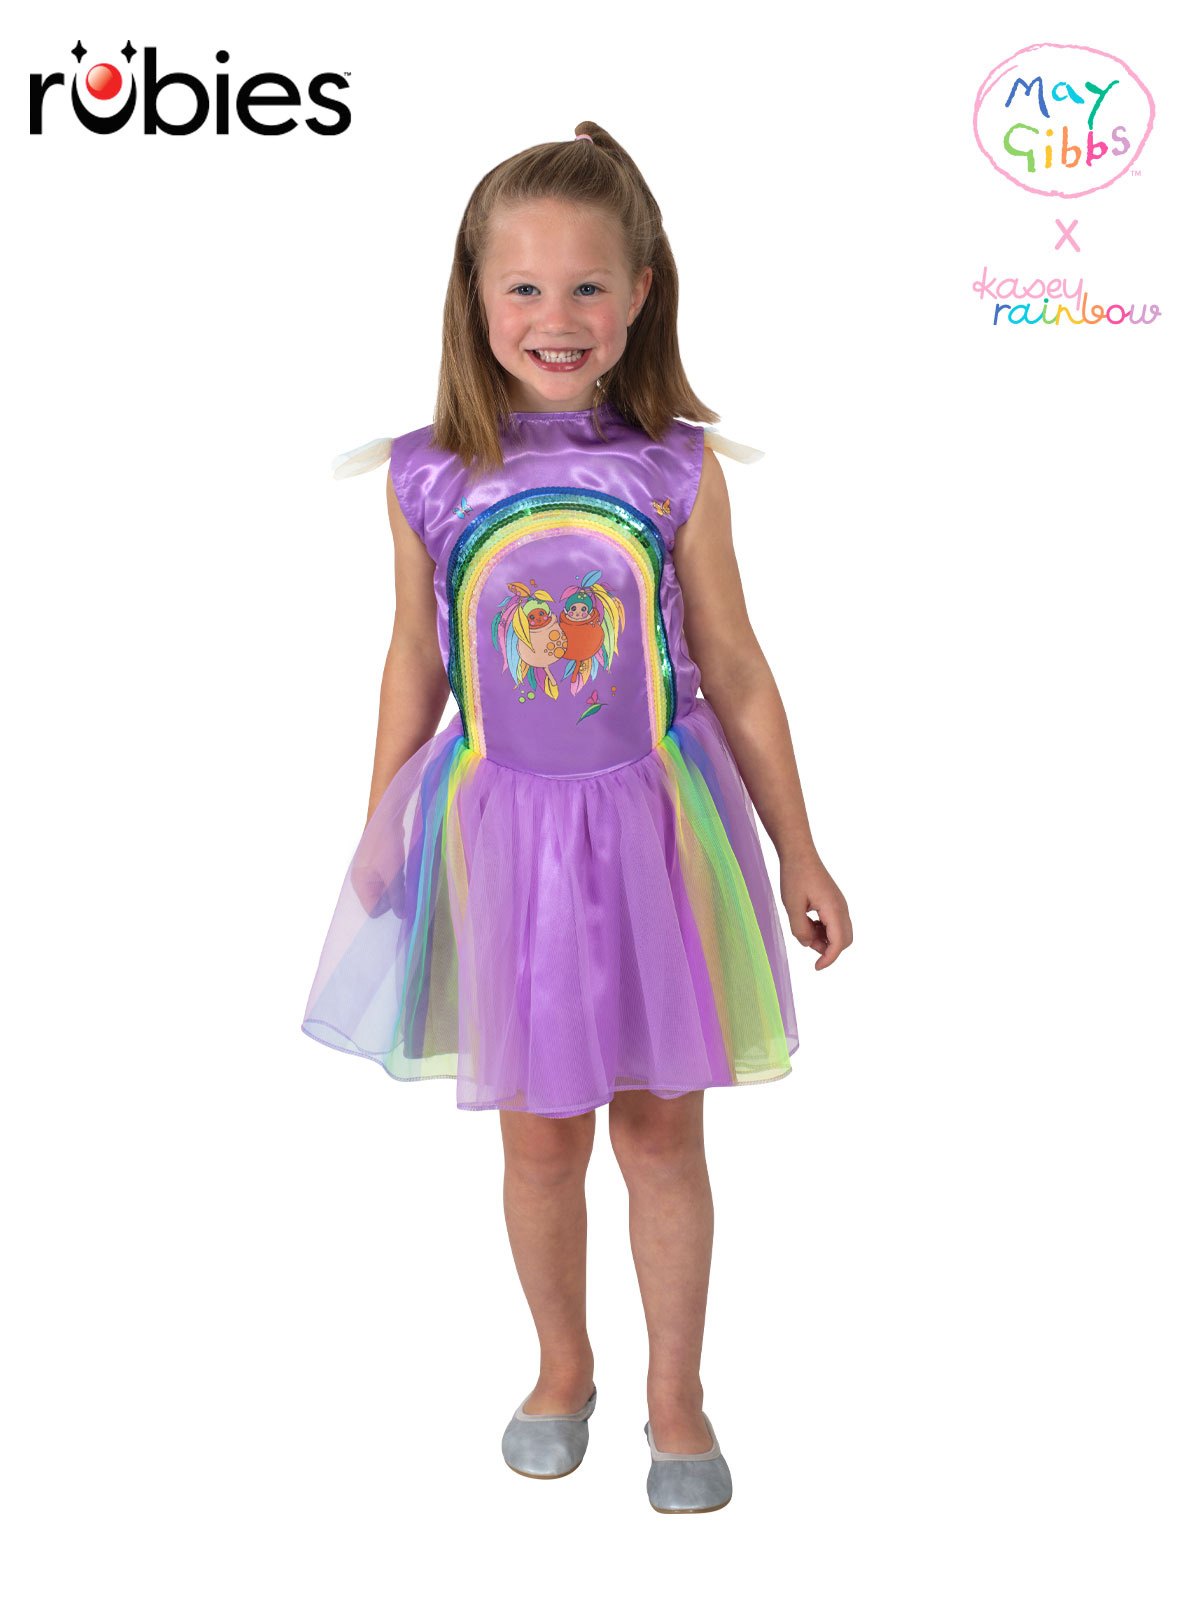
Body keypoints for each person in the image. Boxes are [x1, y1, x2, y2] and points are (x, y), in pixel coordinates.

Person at [301, 121, 853, 1513]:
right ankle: (562, 1366)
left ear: (642, 292)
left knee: (661, 1131)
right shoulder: (429, 474)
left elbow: (735, 668)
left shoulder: (675, 468)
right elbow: (414, 664)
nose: (558, 316)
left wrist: (800, 847)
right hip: (503, 842)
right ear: (474, 297)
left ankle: (678, 1394)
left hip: (661, 839)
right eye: (526, 287)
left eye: (590, 285)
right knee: (539, 1134)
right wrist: (381, 833)